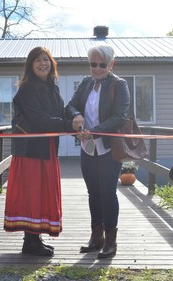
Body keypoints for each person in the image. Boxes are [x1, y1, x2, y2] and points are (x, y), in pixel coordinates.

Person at [3, 46, 73, 256]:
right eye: (37, 61)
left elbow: (60, 113)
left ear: (52, 63)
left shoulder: (52, 88)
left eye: (46, 60)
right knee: (32, 193)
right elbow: (39, 120)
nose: (43, 64)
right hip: (30, 150)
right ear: (30, 66)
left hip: (47, 147)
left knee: (42, 193)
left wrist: (76, 119)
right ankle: (30, 242)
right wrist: (70, 125)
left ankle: (35, 239)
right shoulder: (26, 89)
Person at [65, 43, 130, 259]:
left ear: (111, 64)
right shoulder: (85, 83)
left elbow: (119, 116)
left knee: (107, 193)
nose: (97, 68)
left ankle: (111, 241)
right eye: (93, 64)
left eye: (102, 64)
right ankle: (96, 237)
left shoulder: (119, 85)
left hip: (108, 148)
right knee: (93, 192)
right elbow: (71, 105)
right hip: (87, 147)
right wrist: (76, 115)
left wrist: (94, 131)